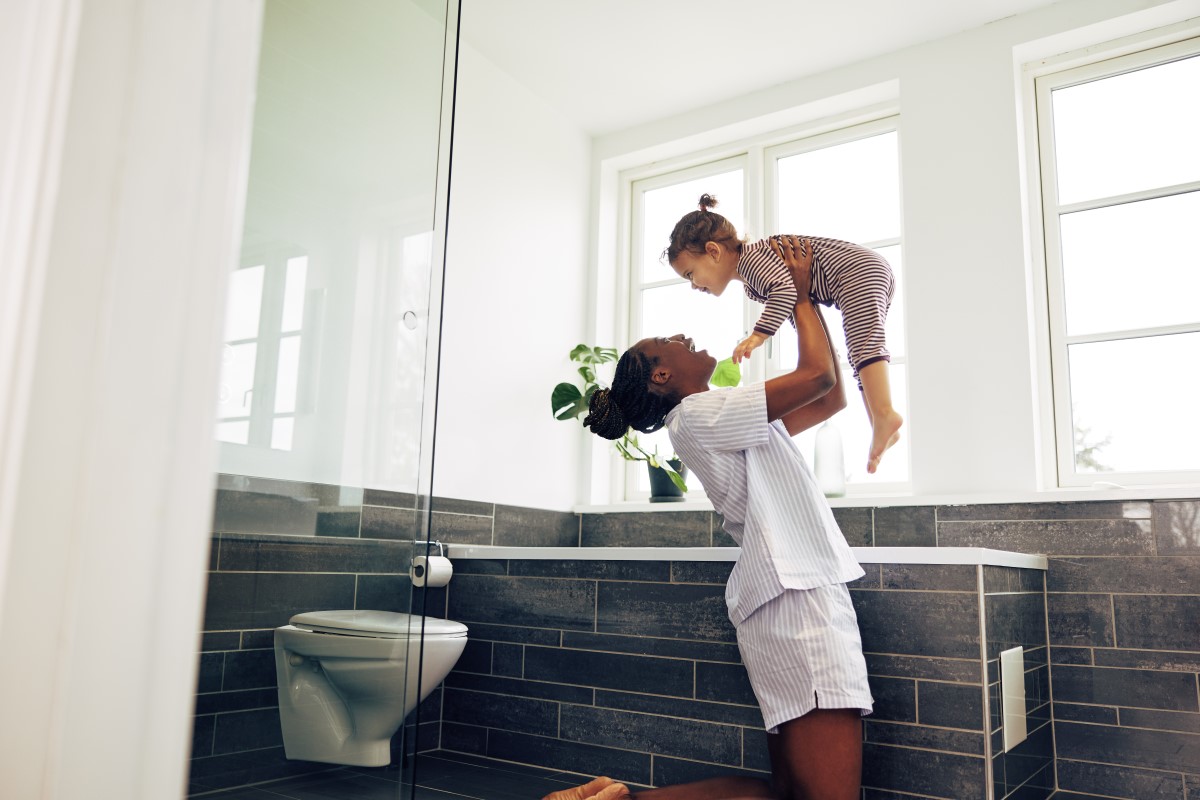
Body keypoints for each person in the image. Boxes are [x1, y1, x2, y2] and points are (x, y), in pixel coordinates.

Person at [545, 236, 872, 800]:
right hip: (799, 601)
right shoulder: (699, 413)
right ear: (661, 377)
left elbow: (831, 395)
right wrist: (790, 295)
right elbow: (817, 377)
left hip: (786, 597)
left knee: (788, 795)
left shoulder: (720, 415)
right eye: (667, 343)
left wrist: (804, 301)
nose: (683, 337)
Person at [665, 194, 902, 474]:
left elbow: (786, 292)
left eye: (691, 274)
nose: (693, 285)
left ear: (714, 252)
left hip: (858, 272)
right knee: (860, 348)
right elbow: (791, 304)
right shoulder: (752, 284)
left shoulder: (752, 260)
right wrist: (820, 344)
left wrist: (758, 335)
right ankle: (879, 420)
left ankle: (884, 414)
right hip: (862, 273)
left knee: (865, 344)